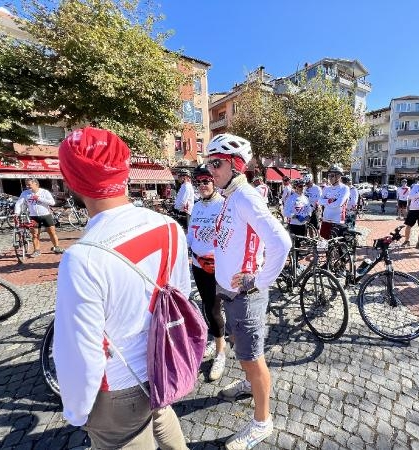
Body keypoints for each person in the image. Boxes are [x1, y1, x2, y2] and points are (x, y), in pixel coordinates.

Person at [54, 127, 189, 449]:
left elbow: (79, 352)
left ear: (71, 180)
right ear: (124, 170)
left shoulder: (82, 258)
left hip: (117, 384)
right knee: (161, 416)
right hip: (160, 362)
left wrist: (76, 411)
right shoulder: (168, 226)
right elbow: (180, 296)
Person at [205, 133, 291, 450]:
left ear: (235, 164)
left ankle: (262, 423)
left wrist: (258, 279)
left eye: (216, 163)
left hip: (246, 296)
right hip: (230, 290)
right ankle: (249, 383)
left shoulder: (245, 197)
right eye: (208, 163)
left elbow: (281, 243)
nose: (209, 170)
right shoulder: (230, 196)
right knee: (244, 350)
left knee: (253, 358)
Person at [187, 164, 227, 381]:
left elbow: (226, 237)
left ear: (214, 183)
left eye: (206, 181)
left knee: (214, 309)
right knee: (206, 306)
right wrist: (189, 250)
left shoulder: (223, 205)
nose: (202, 185)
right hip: (197, 264)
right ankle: (217, 339)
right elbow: (191, 234)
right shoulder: (197, 206)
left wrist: (215, 256)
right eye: (199, 182)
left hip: (215, 266)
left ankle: (221, 351)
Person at [14, 178, 63, 257]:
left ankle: (57, 247)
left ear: (36, 184)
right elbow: (18, 204)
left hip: (46, 215)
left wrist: (39, 198)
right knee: (35, 234)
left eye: (29, 184)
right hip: (34, 216)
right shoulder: (25, 193)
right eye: (26, 184)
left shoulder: (44, 192)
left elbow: (52, 203)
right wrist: (16, 213)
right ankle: (36, 250)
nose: (27, 186)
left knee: (51, 232)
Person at [320, 164, 350, 239]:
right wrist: (330, 200)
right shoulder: (326, 189)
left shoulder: (344, 188)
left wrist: (326, 202)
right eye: (329, 176)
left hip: (337, 221)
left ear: (338, 176)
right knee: (324, 245)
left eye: (332, 176)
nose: (329, 178)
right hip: (326, 219)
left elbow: (339, 204)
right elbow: (319, 201)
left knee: (337, 247)